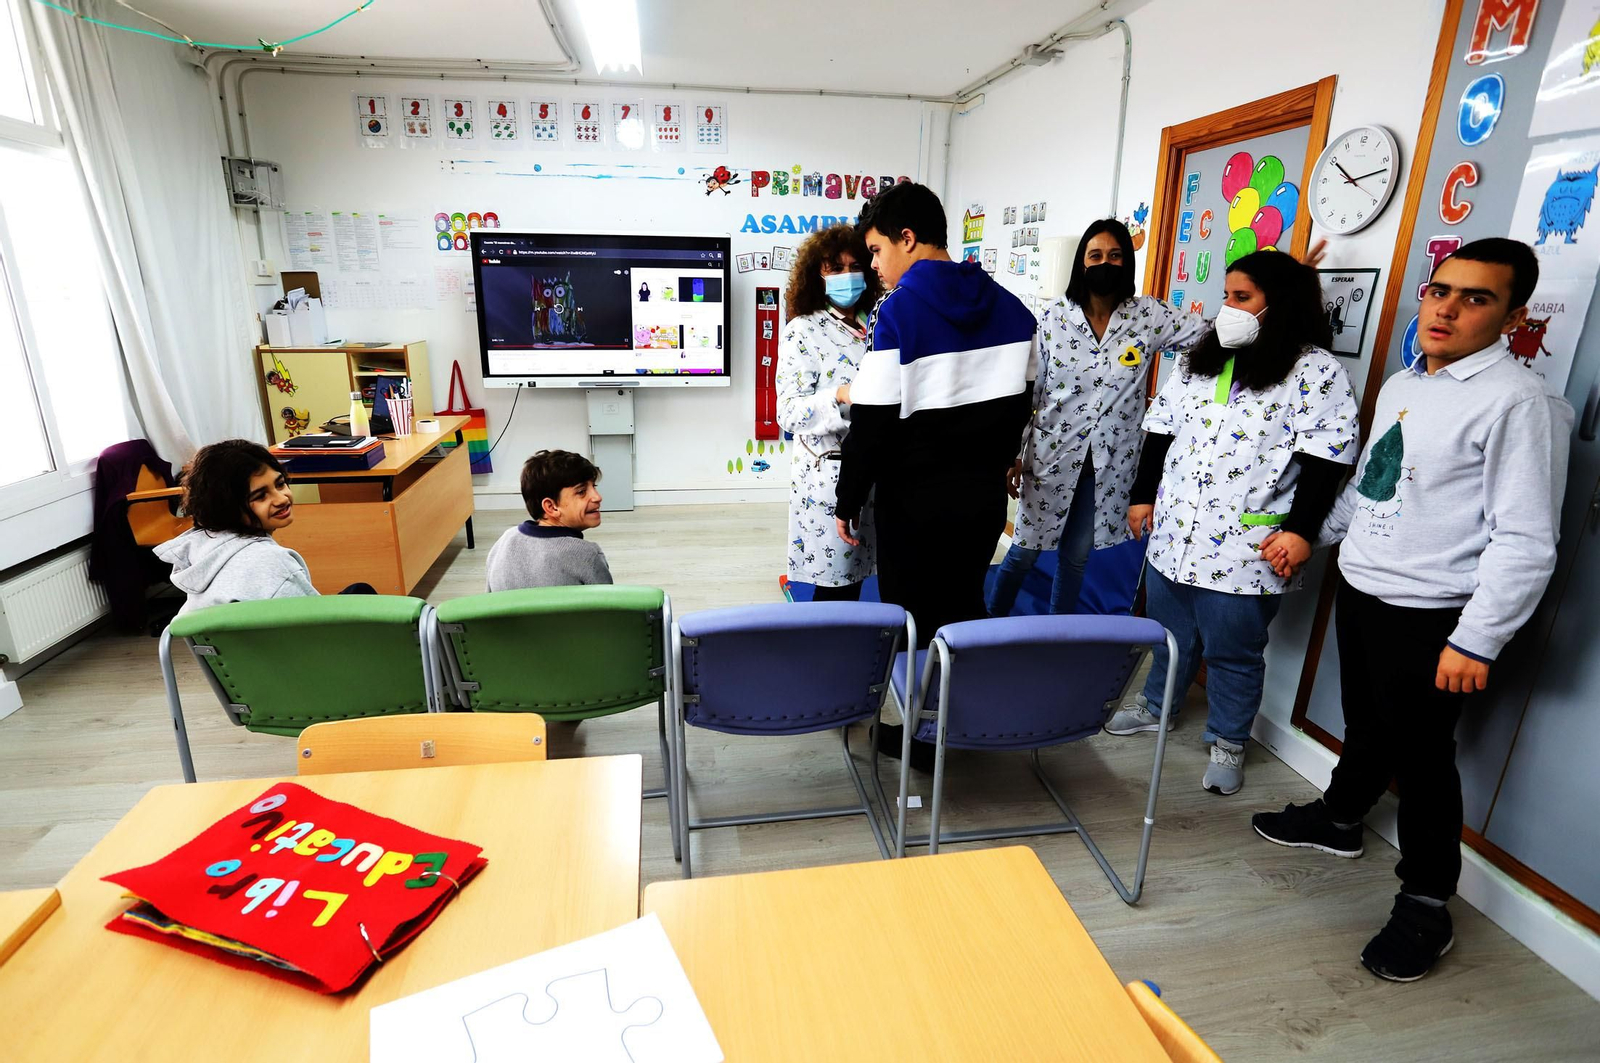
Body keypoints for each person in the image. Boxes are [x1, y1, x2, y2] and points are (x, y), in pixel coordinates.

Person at [1252, 239, 1573, 982]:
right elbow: (1372, 484)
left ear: (1513, 315)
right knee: (1366, 720)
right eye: (1440, 291)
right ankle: (1339, 820)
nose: (1447, 308)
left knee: (1426, 761)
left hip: (1435, 614)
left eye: (1476, 298)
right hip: (1366, 589)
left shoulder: (1521, 404)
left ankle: (1426, 902)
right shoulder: (1407, 380)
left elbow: (1526, 540)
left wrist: (1478, 639)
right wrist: (1311, 537)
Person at [1110, 250, 1359, 796]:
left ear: (1279, 304)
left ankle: (1228, 740)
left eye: (1241, 297)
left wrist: (1302, 531)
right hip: (1173, 533)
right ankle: (1157, 706)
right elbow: (1160, 427)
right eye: (1226, 295)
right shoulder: (1203, 357)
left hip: (1246, 547)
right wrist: (1141, 495)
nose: (1227, 308)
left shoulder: (1315, 372)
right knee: (1169, 635)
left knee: (1234, 652)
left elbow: (1328, 459)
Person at [834, 181, 1036, 766]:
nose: (873, 267)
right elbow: (1024, 404)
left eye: (875, 252)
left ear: (908, 238)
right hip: (980, 502)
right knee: (964, 607)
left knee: (917, 622)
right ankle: (964, 725)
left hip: (914, 504)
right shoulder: (1012, 308)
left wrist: (849, 496)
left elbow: (872, 421)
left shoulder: (899, 311)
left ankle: (927, 740)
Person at [989, 219, 1210, 617]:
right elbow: (1032, 393)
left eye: (1115, 255)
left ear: (1126, 263)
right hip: (1051, 457)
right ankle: (988, 625)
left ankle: (1056, 635)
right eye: (1096, 256)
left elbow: (1209, 335)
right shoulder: (1055, 318)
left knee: (1075, 558)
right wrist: (1014, 454)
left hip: (1111, 466)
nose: (1105, 263)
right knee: (1024, 551)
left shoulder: (1147, 316)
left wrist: (1267, 309)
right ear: (1082, 263)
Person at [776, 223, 882, 600]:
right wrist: (839, 396)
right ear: (816, 275)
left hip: (878, 471)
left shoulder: (878, 321)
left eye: (856, 266)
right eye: (834, 269)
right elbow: (787, 412)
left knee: (865, 575)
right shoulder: (802, 331)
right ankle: (828, 654)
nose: (848, 276)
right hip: (830, 474)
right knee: (837, 580)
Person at [156, 439, 335, 616]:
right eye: (260, 496)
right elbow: (321, 631)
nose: (281, 499)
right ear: (227, 507)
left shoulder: (202, 555)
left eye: (280, 484)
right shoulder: (274, 564)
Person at [486, 449, 613, 591]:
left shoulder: (504, 541)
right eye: (581, 491)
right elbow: (608, 609)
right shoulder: (588, 556)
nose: (597, 497)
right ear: (551, 507)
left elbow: (490, 603)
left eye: (593, 487)